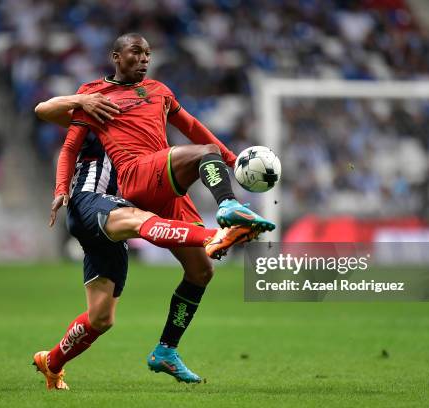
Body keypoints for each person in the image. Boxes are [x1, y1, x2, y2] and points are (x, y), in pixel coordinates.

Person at [35, 32, 275, 384]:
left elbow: (191, 126)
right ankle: (223, 222)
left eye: (149, 53)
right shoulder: (93, 99)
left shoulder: (159, 91)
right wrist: (61, 186)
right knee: (147, 212)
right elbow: (52, 123)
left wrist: (232, 159)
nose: (145, 58)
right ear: (116, 56)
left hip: (147, 186)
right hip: (108, 198)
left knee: (192, 276)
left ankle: (150, 352)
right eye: (137, 52)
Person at [33, 129, 257, 390]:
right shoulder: (97, 113)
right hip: (90, 202)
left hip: (115, 210)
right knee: (141, 220)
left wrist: (226, 158)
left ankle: (52, 362)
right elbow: (48, 111)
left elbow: (187, 126)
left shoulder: (142, 131)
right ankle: (214, 235)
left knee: (101, 318)